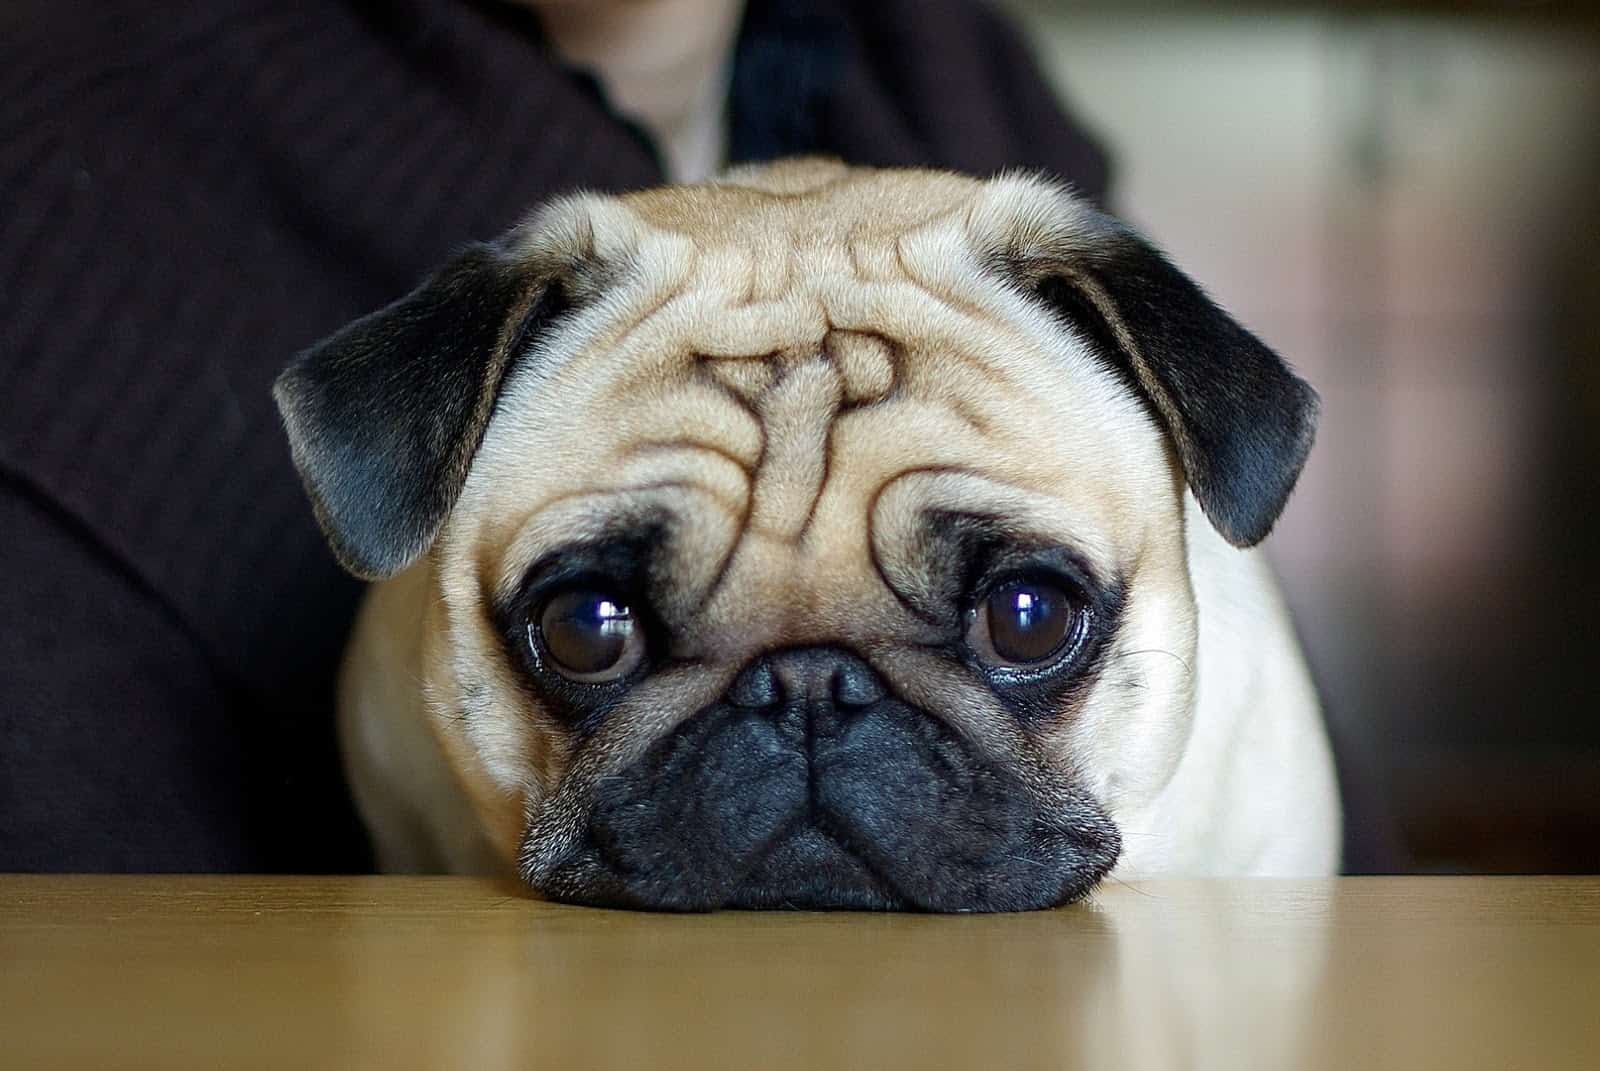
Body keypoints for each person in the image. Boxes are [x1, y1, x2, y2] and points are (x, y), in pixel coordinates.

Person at [0, 0, 1110, 871]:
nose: (810, 723)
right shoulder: (65, 177)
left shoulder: (953, 75)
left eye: (1023, 625)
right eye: (594, 633)